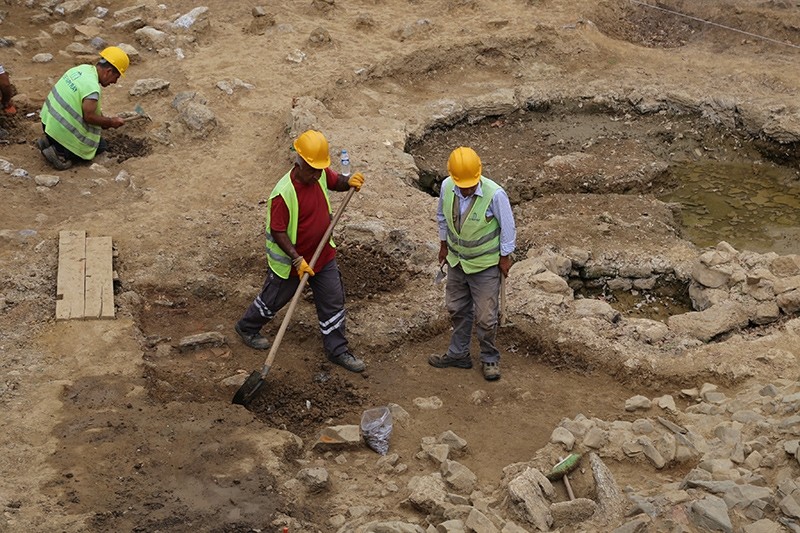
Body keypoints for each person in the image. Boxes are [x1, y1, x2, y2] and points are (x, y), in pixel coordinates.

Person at [234, 130, 367, 373]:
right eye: (313, 169)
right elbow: (278, 231)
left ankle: (337, 350)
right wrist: (296, 259)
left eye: (320, 170)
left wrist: (348, 182)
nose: (318, 175)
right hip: (293, 263)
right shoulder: (283, 193)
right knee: (273, 300)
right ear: (300, 161)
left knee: (333, 300)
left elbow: (334, 180)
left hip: (323, 255)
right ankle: (247, 326)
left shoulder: (319, 173)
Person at [429, 146, 516, 381]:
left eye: (469, 185)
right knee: (457, 308)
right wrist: (444, 245)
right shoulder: (448, 187)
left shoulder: (495, 194)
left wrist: (505, 257)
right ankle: (458, 354)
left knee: (487, 317)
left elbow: (508, 228)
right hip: (457, 261)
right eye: (462, 185)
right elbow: (441, 216)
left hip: (485, 265)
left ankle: (489, 358)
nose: (466, 189)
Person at [37, 46, 129, 170]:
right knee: (99, 146)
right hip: (60, 130)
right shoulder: (92, 87)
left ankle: (49, 141)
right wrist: (111, 122)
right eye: (116, 77)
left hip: (47, 123)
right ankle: (59, 152)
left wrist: (104, 121)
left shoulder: (82, 69)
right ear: (108, 72)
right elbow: (89, 117)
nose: (115, 82)